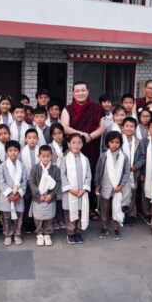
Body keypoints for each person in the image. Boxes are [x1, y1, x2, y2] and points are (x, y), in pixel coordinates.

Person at [61, 81, 105, 219]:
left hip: (92, 146)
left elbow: (102, 127)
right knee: (73, 175)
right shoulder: (67, 109)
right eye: (77, 91)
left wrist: (90, 136)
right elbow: (65, 127)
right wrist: (81, 135)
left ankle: (90, 207)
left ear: (88, 92)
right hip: (74, 146)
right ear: (73, 93)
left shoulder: (96, 108)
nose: (80, 93)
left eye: (83, 90)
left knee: (89, 174)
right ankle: (72, 207)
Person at [95, 131, 130, 240]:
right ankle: (104, 227)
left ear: (120, 143)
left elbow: (126, 172)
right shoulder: (103, 156)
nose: (114, 144)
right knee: (104, 209)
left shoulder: (124, 157)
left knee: (116, 208)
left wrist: (122, 185)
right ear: (107, 143)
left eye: (117, 142)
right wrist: (97, 184)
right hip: (105, 187)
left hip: (117, 188)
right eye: (112, 142)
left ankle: (116, 228)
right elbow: (98, 171)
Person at [61, 133, 91, 244]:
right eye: (73, 142)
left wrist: (84, 189)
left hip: (82, 192)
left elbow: (88, 175)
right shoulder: (65, 159)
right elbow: (62, 175)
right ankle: (70, 233)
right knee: (70, 213)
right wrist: (70, 189)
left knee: (80, 212)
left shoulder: (85, 159)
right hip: (70, 192)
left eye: (79, 142)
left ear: (82, 144)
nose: (76, 145)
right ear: (68, 144)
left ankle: (78, 231)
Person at [29, 145, 61, 246]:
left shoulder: (55, 169)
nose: (46, 158)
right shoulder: (35, 168)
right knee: (38, 217)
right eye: (43, 156)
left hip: (49, 197)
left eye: (48, 156)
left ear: (51, 156)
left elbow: (58, 182)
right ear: (39, 156)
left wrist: (51, 195)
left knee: (49, 216)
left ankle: (47, 234)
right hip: (38, 197)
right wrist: (38, 196)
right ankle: (39, 234)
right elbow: (32, 182)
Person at [0, 140, 27, 246]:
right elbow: (1, 181)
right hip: (7, 198)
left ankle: (17, 234)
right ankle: (8, 235)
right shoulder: (2, 166)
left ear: (18, 152)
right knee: (7, 217)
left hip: (18, 198)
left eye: (15, 150)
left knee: (18, 217)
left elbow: (24, 182)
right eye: (10, 150)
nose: (13, 152)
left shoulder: (22, 166)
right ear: (6, 152)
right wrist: (10, 194)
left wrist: (18, 194)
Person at [121, 117, 145, 225]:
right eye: (127, 126)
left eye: (132, 126)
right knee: (121, 194)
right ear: (122, 128)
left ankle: (130, 214)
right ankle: (120, 214)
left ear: (135, 128)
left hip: (133, 173)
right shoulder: (119, 140)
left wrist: (135, 166)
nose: (129, 128)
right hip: (121, 174)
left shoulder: (138, 142)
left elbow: (142, 157)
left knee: (132, 194)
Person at [49, 123, 67, 230]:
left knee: (61, 199)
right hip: (53, 175)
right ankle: (54, 219)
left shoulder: (67, 145)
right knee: (53, 198)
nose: (58, 136)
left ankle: (61, 218)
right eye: (55, 134)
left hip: (64, 175)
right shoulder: (50, 147)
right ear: (51, 135)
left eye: (59, 133)